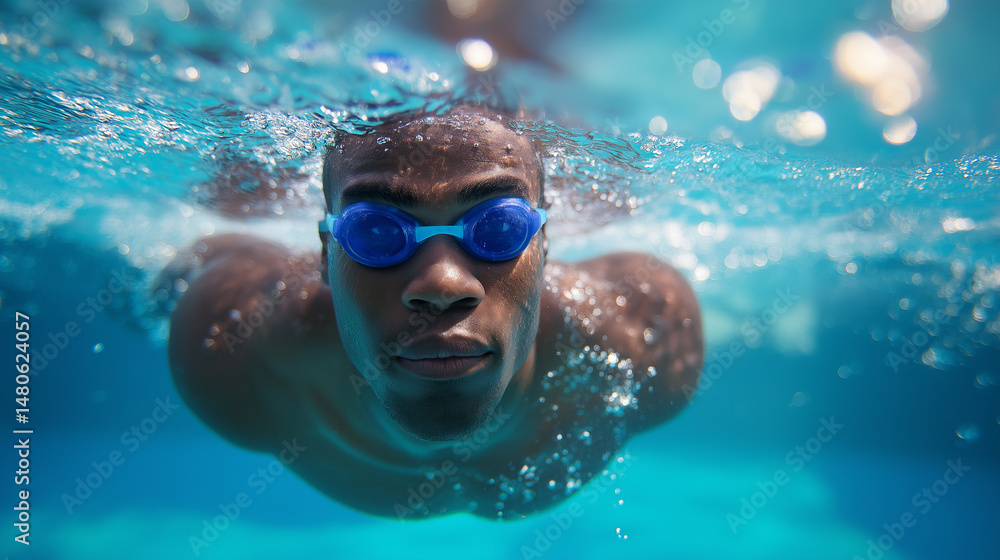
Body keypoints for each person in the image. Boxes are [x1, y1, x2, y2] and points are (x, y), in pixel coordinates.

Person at [165, 103, 703, 520]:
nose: (443, 285)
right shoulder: (234, 354)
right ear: (327, 258)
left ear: (543, 246)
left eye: (498, 227)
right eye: (376, 232)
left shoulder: (643, 337)